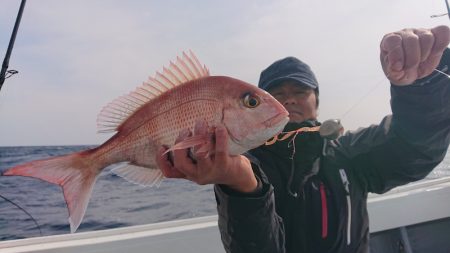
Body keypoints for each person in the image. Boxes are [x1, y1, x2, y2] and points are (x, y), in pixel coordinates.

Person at [155, 26, 450, 253]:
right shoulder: (245, 163)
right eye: (277, 94)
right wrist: (242, 187)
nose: (289, 101)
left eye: (300, 91)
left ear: (316, 100)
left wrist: (422, 86)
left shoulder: (348, 153)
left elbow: (414, 150)